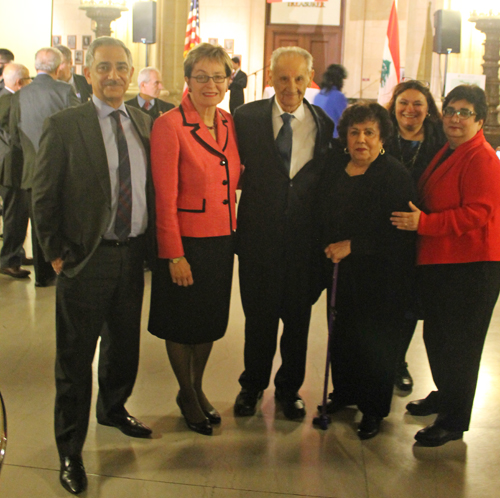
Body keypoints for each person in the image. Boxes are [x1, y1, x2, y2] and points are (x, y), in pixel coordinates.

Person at [32, 37, 154, 495]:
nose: (114, 76)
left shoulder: (144, 121)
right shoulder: (65, 125)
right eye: (104, 67)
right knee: (75, 360)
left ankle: (113, 408)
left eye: (122, 68)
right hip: (86, 259)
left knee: (124, 346)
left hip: (132, 257)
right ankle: (70, 449)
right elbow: (44, 196)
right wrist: (57, 254)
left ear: (130, 72)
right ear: (88, 73)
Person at [391, 85, 500, 447]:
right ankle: (447, 394)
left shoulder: (481, 157)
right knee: (438, 338)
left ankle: (454, 420)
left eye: (465, 112)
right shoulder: (449, 151)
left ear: (480, 119)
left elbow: (478, 213)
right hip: (444, 261)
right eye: (451, 110)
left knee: (460, 345)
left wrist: (425, 224)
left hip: (471, 266)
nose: (455, 118)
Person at [233, 46, 334, 420]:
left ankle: (289, 389)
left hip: (303, 246)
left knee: (298, 322)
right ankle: (252, 385)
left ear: (309, 79)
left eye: (298, 79)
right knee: (257, 320)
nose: (290, 86)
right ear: (271, 78)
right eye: (283, 78)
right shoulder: (245, 117)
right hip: (258, 240)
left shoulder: (323, 122)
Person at [148, 43, 241, 436]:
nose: (210, 84)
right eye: (201, 76)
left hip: (222, 240)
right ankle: (186, 393)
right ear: (187, 80)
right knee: (182, 323)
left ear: (228, 81)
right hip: (185, 243)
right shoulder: (169, 125)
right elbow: (164, 197)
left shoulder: (226, 120)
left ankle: (197, 388)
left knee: (208, 323)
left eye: (218, 77)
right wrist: (174, 255)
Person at [319, 102, 415, 439]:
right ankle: (345, 393)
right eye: (355, 132)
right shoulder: (336, 168)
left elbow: (399, 234)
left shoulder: (394, 175)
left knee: (375, 342)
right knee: (343, 336)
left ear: (382, 137)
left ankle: (373, 408)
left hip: (382, 275)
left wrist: (353, 245)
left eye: (369, 133)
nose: (361, 139)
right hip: (341, 272)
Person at [385, 79, 446, 392]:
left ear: (428, 108)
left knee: (409, 302)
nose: (410, 109)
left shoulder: (441, 140)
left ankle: (398, 362)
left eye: (417, 103)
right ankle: (377, 362)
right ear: (394, 106)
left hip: (421, 231)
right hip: (382, 229)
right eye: (403, 103)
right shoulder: (381, 133)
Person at [9, 47, 80, 287]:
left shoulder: (19, 94)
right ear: (60, 67)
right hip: (63, 167)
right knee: (61, 219)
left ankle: (42, 274)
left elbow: (13, 135)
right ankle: (62, 267)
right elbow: (75, 128)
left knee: (39, 220)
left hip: (31, 169)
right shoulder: (65, 90)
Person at [0, 63, 31, 279]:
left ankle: (16, 254)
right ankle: (9, 260)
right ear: (20, 83)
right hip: (12, 166)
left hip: (6, 164)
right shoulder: (14, 102)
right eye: (29, 79)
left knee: (15, 212)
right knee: (16, 214)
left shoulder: (3, 98)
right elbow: (14, 138)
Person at [313, 64, 348, 138]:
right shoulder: (338, 96)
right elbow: (346, 119)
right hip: (333, 138)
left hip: (319, 136)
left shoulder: (318, 95)